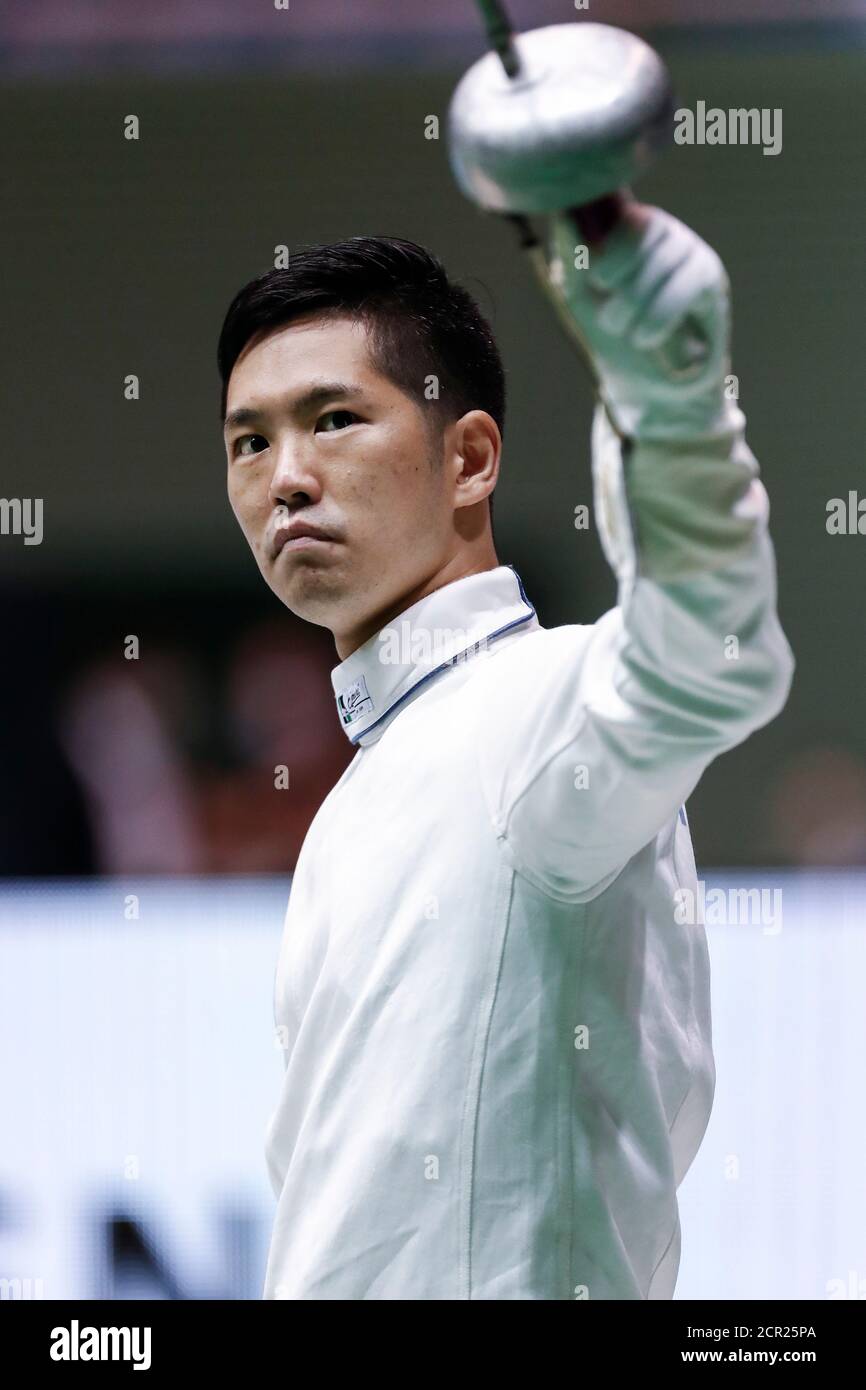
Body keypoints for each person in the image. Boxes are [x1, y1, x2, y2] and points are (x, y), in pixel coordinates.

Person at [216, 201, 794, 1300]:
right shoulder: (365, 792)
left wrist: (661, 389)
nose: (283, 475)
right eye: (249, 440)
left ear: (468, 457)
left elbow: (709, 657)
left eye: (332, 418)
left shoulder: (530, 708)